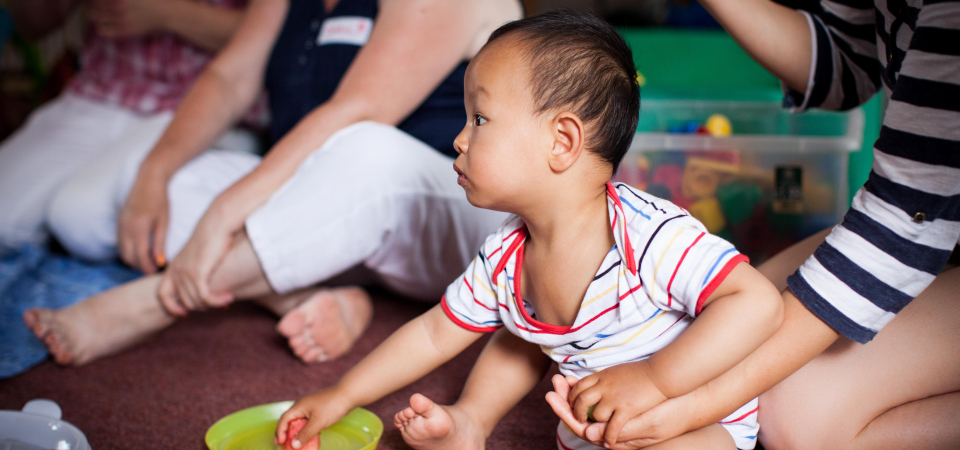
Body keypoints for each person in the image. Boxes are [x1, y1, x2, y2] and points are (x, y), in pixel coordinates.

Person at [273, 12, 784, 450]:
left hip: (699, 421)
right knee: (521, 330)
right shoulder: (506, 253)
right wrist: (341, 395)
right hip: (593, 425)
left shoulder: (648, 236)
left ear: (562, 141)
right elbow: (433, 334)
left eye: (480, 118)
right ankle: (473, 419)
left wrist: (653, 379)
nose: (459, 138)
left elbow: (755, 303)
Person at [546, 0, 960, 448]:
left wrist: (691, 399)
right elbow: (843, 66)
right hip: (934, 218)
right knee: (720, 323)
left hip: (921, 219)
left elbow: (904, 225)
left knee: (795, 415)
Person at [23, 0, 521, 366]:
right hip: (335, 211)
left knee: (368, 147)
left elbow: (358, 111)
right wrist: (155, 173)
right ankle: (306, 294)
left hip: (461, 219)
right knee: (134, 193)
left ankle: (155, 302)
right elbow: (229, 78)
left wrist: (223, 214)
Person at [0, 0, 256, 255]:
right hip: (98, 90)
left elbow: (266, 46)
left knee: (80, 220)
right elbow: (34, 27)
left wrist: (168, 14)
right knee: (10, 222)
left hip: (196, 106)